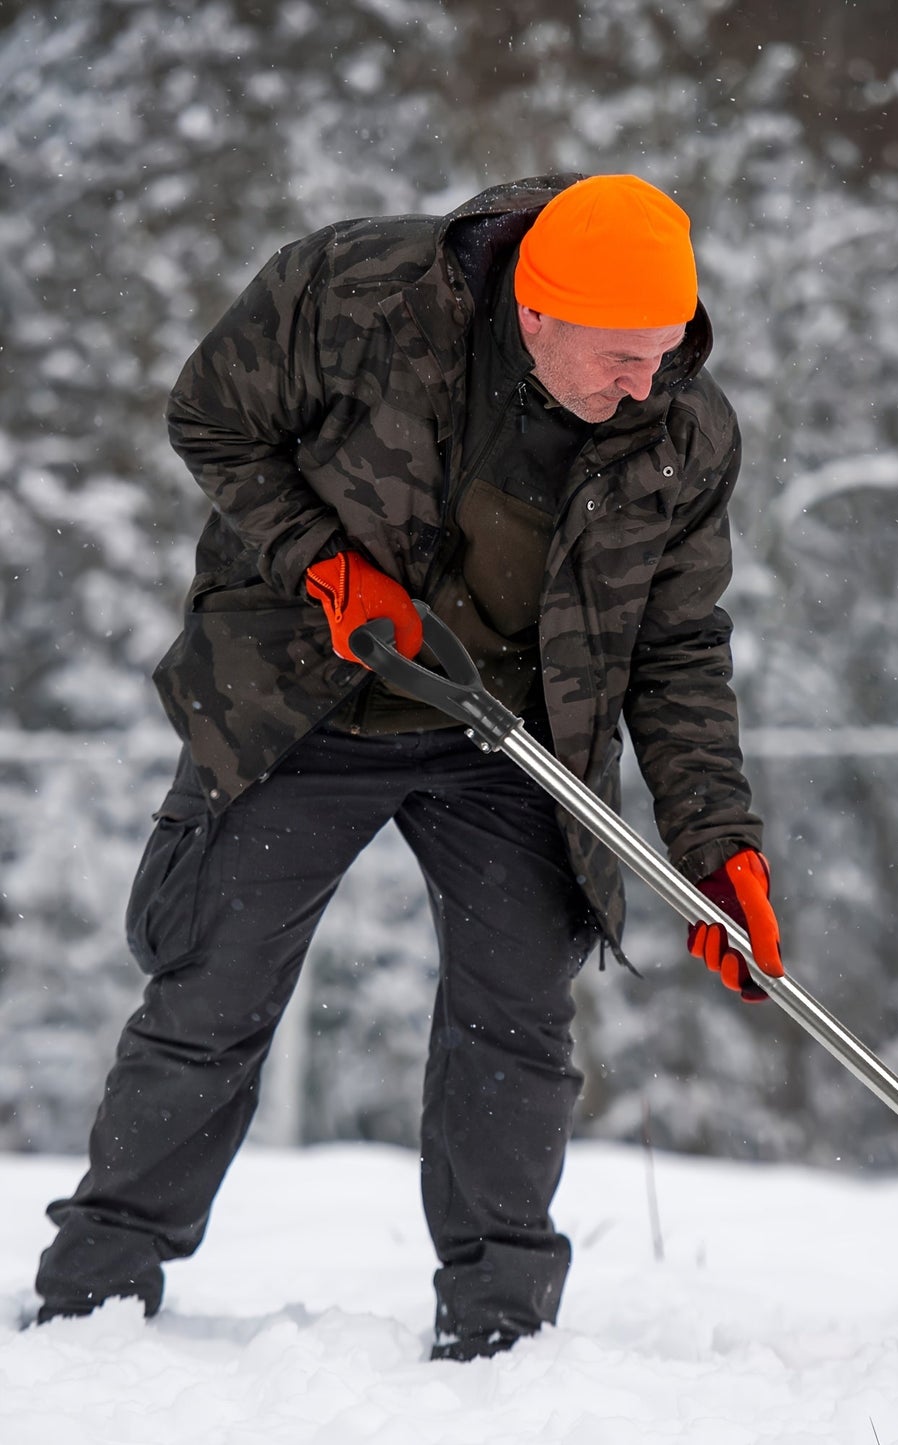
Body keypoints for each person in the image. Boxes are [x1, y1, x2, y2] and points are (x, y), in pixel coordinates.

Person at [34, 173, 783, 1361]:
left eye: (665, 350)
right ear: (534, 313)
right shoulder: (353, 296)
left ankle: (500, 1324)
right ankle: (96, 1293)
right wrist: (324, 568)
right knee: (209, 995)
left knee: (516, 1021)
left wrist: (716, 844)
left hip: (512, 734)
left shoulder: (679, 429)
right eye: (617, 357)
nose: (643, 383)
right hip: (297, 698)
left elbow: (677, 647)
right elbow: (210, 420)